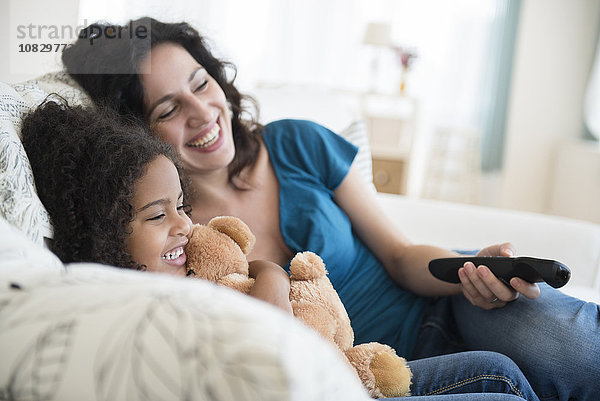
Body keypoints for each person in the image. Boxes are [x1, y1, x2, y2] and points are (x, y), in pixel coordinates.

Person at [61, 17, 600, 400]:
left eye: (201, 84)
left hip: (443, 302)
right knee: (499, 380)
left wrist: (472, 270)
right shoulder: (171, 231)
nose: (203, 113)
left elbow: (400, 254)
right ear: (138, 133)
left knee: (569, 351)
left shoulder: (298, 143)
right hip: (375, 372)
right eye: (169, 108)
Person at [21, 100, 293, 313]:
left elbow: (238, 267)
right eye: (158, 215)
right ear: (103, 236)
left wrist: (273, 279)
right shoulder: (122, 310)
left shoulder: (184, 264)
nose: (185, 224)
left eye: (181, 206)